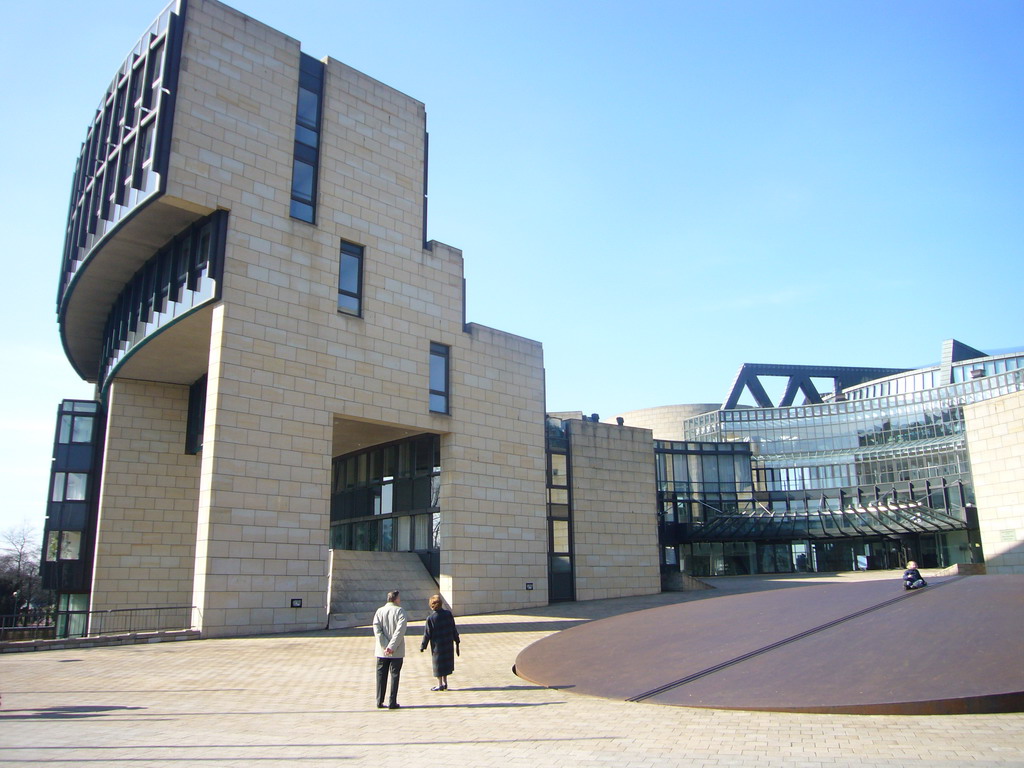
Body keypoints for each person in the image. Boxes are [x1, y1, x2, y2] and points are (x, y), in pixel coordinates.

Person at [372, 590, 407, 709]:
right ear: (396, 599)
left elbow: (377, 630)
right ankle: (392, 701)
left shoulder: (379, 611)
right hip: (396, 651)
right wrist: (391, 647)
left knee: (381, 675)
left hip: (381, 651)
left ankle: (379, 700)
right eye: (399, 598)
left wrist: (385, 645)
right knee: (395, 675)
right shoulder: (400, 611)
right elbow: (400, 631)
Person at [420, 594, 460, 691]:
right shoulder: (448, 614)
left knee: (438, 665)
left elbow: (427, 634)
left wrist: (423, 646)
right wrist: (457, 640)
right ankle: (445, 683)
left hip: (437, 646)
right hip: (447, 644)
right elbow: (453, 628)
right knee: (446, 664)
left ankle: (440, 684)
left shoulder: (431, 618)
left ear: (432, 605)